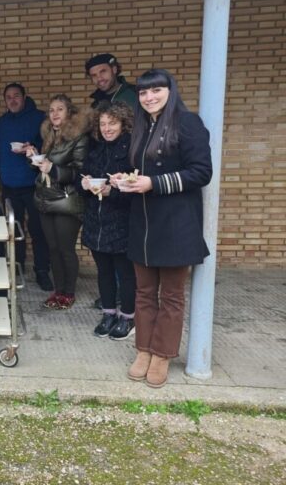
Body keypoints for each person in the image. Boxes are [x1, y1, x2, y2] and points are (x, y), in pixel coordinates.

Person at [116, 69, 212, 389]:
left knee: (171, 296)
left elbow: (201, 172)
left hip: (176, 224)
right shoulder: (142, 127)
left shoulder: (188, 123)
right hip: (143, 224)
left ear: (171, 91)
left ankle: (162, 354)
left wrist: (153, 183)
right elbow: (139, 172)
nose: (149, 97)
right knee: (144, 293)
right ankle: (143, 350)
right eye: (143, 92)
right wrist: (124, 179)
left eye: (156, 90)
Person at [0, 82, 52, 291]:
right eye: (8, 97)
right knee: (14, 229)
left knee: (38, 230)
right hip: (9, 183)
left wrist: (32, 148)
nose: (12, 100)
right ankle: (17, 267)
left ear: (24, 97)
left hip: (33, 183)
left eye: (16, 96)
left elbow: (49, 145)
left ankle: (42, 271)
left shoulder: (39, 117)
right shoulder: (3, 121)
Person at [79, 104, 136, 339]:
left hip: (122, 222)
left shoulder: (133, 149)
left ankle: (128, 317)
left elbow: (137, 190)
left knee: (125, 273)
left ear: (123, 123)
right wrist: (84, 184)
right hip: (96, 222)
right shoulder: (96, 148)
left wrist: (113, 191)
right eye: (103, 124)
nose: (107, 128)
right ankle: (109, 313)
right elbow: (83, 178)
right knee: (103, 272)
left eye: (112, 123)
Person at [29, 94, 91, 310]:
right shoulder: (49, 136)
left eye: (60, 109)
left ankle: (69, 293)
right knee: (53, 249)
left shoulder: (79, 138)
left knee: (65, 249)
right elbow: (44, 167)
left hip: (67, 201)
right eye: (51, 110)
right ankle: (58, 291)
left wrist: (53, 169)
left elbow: (81, 173)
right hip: (46, 200)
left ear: (69, 113)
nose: (54, 113)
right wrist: (34, 158)